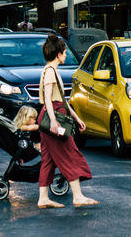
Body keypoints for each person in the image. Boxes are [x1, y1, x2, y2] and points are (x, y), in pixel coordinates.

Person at [37, 34, 98, 209]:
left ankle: (43, 198)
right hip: (53, 118)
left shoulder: (51, 70)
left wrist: (77, 118)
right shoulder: (50, 71)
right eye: (64, 52)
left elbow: (61, 99)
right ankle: (77, 196)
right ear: (58, 54)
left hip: (53, 115)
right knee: (70, 154)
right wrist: (55, 122)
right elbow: (49, 99)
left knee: (48, 159)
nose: (65, 55)